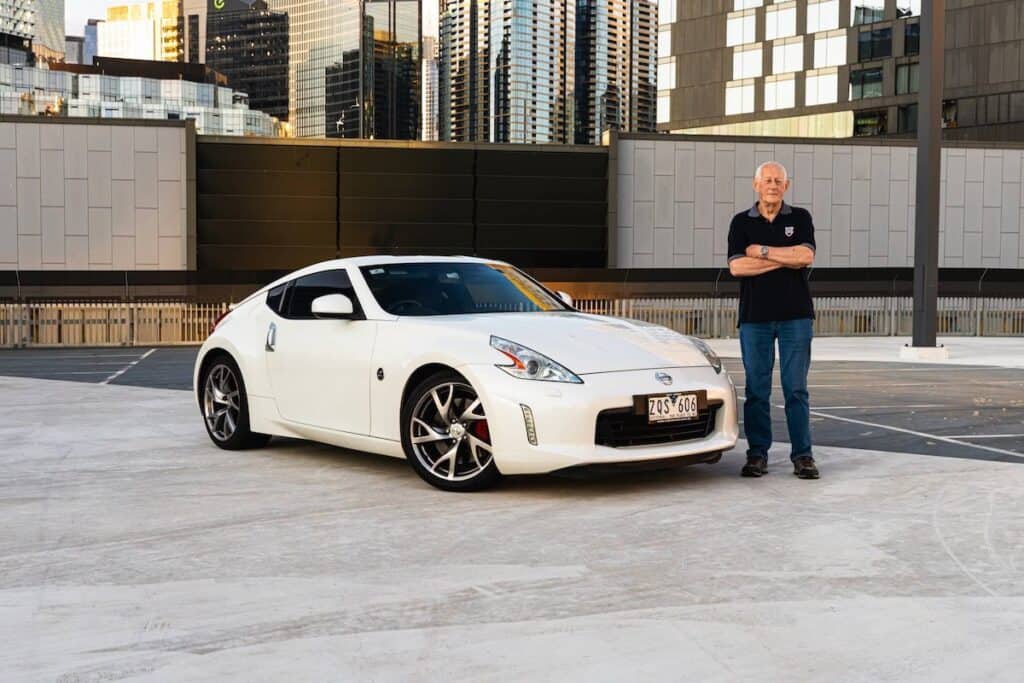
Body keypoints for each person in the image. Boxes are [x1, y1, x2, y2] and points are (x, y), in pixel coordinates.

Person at [727, 161, 818, 480]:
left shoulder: (800, 217)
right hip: (755, 319)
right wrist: (786, 258)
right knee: (756, 390)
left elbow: (806, 257)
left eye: (778, 181)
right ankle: (757, 455)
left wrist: (761, 252)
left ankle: (803, 456)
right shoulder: (741, 222)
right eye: (767, 180)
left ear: (786, 186)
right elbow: (737, 267)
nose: (773, 185)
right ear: (756, 185)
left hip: (796, 317)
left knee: (796, 389)